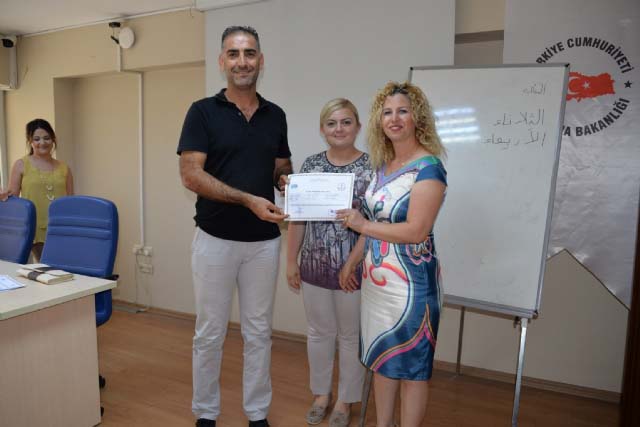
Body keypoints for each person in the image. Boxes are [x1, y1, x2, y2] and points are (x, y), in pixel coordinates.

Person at [177, 25, 292, 427]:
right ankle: (206, 413)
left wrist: (286, 181)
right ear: (222, 61)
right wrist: (246, 199)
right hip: (215, 240)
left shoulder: (276, 115)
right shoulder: (202, 112)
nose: (242, 61)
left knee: (259, 333)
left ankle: (257, 413)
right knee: (210, 333)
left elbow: (280, 166)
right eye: (234, 53)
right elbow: (191, 174)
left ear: (261, 60)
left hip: (264, 243)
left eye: (249, 53)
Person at [336, 81, 447, 427]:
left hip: (411, 289)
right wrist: (352, 261)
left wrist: (361, 225)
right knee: (382, 362)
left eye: (403, 111)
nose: (394, 119)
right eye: (387, 112)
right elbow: (373, 222)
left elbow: (416, 230)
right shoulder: (383, 166)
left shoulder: (429, 168)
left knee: (413, 370)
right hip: (376, 285)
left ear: (417, 118)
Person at [286, 98, 371, 427]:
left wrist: (351, 262)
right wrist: (291, 261)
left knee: (350, 336)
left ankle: (346, 401)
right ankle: (321, 394)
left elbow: (373, 223)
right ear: (322, 129)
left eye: (346, 122)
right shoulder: (310, 165)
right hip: (314, 266)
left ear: (358, 127)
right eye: (332, 123)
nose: (339, 129)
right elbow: (298, 218)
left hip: (354, 268)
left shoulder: (372, 167)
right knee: (319, 333)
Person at [0, 118, 74, 261]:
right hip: (35, 230)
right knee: (46, 267)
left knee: (64, 269)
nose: (42, 142)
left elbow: (71, 200)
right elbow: (13, 199)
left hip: (61, 228)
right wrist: (2, 196)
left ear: (53, 139)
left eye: (47, 138)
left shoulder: (64, 168)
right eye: (37, 139)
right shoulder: (21, 164)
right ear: (30, 141)